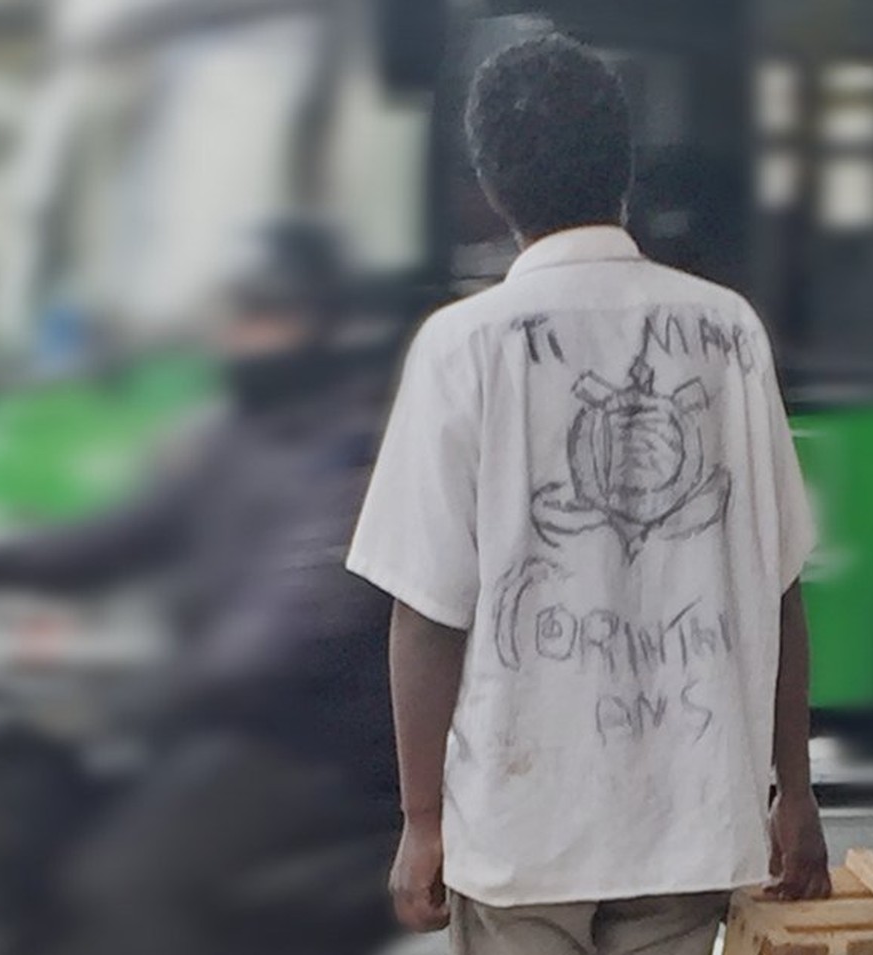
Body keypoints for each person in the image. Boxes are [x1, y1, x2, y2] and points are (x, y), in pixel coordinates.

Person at [347, 34, 831, 955]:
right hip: (684, 833)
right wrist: (793, 792)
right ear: (626, 170)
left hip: (521, 833)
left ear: (491, 186)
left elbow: (426, 615)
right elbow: (778, 589)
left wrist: (421, 820)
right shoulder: (729, 335)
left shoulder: (462, 348)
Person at [0, 219, 400, 955]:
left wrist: (137, 698)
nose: (247, 333)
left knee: (117, 882)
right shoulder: (236, 434)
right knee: (15, 812)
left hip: (305, 746)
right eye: (240, 312)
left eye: (271, 312)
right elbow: (123, 531)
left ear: (324, 321)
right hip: (212, 719)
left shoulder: (349, 456)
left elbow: (280, 634)